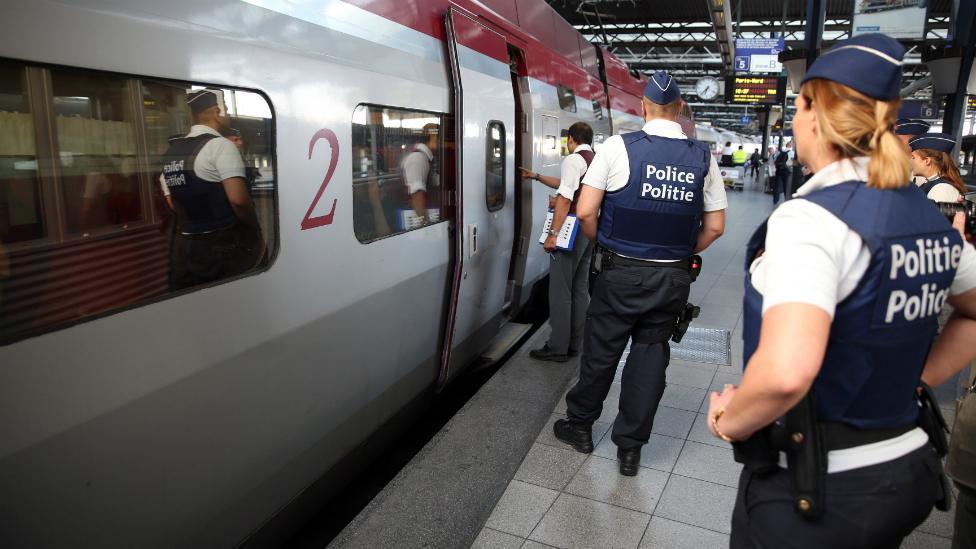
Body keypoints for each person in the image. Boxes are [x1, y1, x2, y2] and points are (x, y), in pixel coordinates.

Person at [704, 34, 976, 547]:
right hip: (906, 470)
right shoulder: (926, 215)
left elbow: (786, 376)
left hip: (821, 493)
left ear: (812, 109)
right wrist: (915, 378)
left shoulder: (815, 218)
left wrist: (730, 420)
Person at [552, 70, 727, 476]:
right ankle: (630, 450)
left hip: (618, 273)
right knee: (650, 357)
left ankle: (579, 427)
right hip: (672, 279)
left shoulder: (617, 147)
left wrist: (606, 244)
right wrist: (680, 252)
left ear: (643, 106)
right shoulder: (703, 157)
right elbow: (715, 227)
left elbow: (584, 211)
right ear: (680, 108)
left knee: (601, 352)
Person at [161, 89, 265, 290]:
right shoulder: (219, 146)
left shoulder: (172, 152)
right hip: (220, 247)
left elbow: (174, 201)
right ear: (217, 112)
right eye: (225, 109)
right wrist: (255, 228)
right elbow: (239, 201)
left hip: (184, 247)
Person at [519, 122, 596, 362]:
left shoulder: (573, 160)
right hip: (588, 229)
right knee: (580, 289)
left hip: (570, 230)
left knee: (560, 290)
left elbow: (564, 198)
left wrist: (553, 233)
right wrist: (537, 176)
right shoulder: (592, 159)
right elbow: (569, 185)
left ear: (571, 139)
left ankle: (557, 347)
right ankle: (575, 344)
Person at [909, 133, 967, 203]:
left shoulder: (941, 189)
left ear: (927, 161)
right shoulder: (932, 184)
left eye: (913, 157)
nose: (910, 161)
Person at [400, 123, 439, 227]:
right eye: (439, 136)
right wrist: (426, 226)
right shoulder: (418, 158)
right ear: (433, 137)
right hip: (415, 223)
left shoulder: (425, 157)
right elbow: (417, 196)